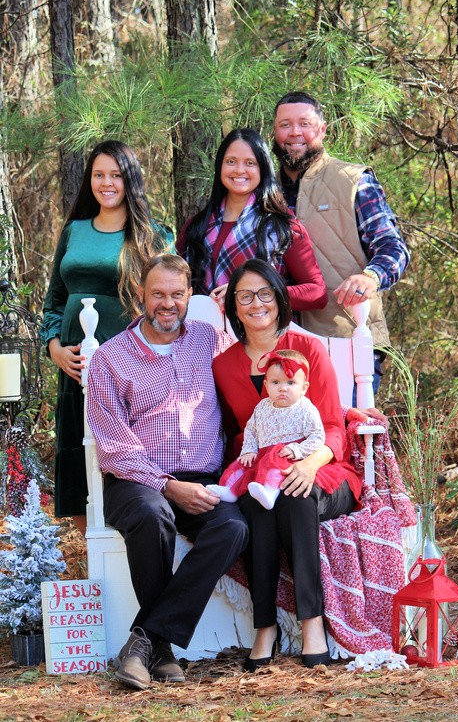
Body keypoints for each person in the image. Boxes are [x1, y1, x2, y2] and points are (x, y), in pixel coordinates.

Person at [86, 254, 249, 690]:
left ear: (189, 295)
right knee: (152, 513)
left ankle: (147, 641)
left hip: (203, 478)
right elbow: (115, 447)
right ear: (141, 294)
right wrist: (168, 486)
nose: (167, 304)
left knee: (233, 528)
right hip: (136, 480)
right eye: (157, 293)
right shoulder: (111, 358)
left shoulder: (210, 341)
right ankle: (161, 648)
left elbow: (254, 376)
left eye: (177, 294)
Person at [212, 259, 365, 670]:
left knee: (296, 496)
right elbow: (236, 433)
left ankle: (312, 623)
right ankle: (266, 627)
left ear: (280, 299)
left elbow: (332, 425)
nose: (256, 303)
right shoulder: (224, 365)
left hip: (323, 466)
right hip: (263, 471)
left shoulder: (309, 350)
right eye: (245, 296)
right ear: (233, 306)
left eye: (265, 293)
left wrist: (310, 464)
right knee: (255, 505)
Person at [40, 140, 173, 533]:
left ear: (130, 180)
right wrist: (55, 349)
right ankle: (92, 552)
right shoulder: (74, 231)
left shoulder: (153, 234)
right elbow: (54, 301)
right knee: (77, 453)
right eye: (98, 174)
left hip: (128, 365)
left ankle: (137, 540)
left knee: (121, 449)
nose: (106, 183)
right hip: (74, 365)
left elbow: (170, 302)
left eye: (116, 175)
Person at [273, 91, 410, 392]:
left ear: (322, 130)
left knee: (350, 423)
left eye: (304, 124)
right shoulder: (263, 190)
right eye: (285, 124)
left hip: (347, 341)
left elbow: (393, 248)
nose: (294, 132)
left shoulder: (354, 181)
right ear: (274, 131)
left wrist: (370, 277)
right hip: (278, 351)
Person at [176, 127, 327, 314]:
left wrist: (254, 294)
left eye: (250, 163)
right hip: (204, 330)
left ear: (263, 168)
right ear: (220, 166)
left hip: (266, 331)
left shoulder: (283, 227)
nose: (239, 170)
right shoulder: (196, 226)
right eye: (231, 161)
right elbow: (176, 287)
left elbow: (317, 293)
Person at [207, 349, 326, 510]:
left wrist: (297, 450)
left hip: (287, 455)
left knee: (275, 467)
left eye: (290, 383)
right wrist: (249, 449)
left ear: (304, 388)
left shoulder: (306, 408)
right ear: (266, 385)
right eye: (275, 382)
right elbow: (251, 430)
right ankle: (230, 490)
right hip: (261, 454)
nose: (282, 388)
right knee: (240, 465)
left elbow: (317, 437)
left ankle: (270, 492)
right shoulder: (263, 406)